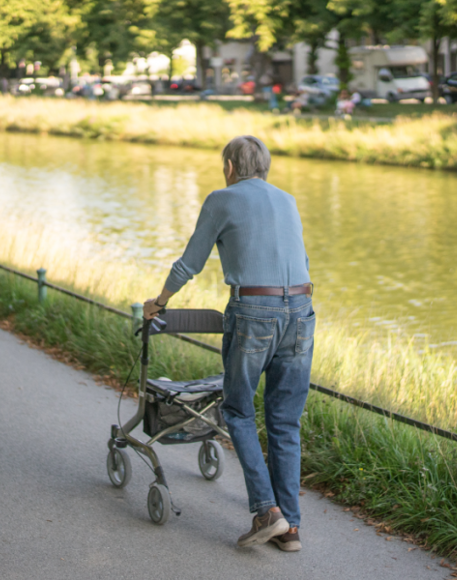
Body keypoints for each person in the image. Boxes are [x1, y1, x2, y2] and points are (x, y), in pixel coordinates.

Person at [143, 136, 315, 552]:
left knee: (237, 409)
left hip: (255, 312)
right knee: (284, 421)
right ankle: (290, 528)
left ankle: (266, 512)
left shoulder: (222, 199)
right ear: (266, 168)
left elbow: (190, 263)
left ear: (230, 167)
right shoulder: (287, 200)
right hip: (302, 310)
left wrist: (159, 302)